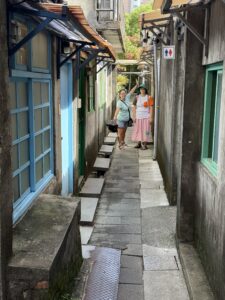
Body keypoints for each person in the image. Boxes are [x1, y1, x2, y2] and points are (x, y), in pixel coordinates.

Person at [114, 81, 138, 149]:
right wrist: (115, 117)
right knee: (120, 133)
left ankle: (123, 142)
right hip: (120, 120)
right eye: (122, 94)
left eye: (124, 93)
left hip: (127, 120)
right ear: (119, 95)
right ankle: (120, 144)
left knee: (124, 132)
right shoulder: (119, 102)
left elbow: (131, 91)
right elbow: (117, 110)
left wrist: (136, 85)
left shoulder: (127, 97)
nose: (123, 95)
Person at [132, 84, 154, 150]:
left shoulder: (149, 97)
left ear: (146, 90)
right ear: (139, 90)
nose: (142, 90)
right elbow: (134, 107)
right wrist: (134, 116)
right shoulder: (136, 97)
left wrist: (151, 117)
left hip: (146, 117)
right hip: (138, 116)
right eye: (141, 89)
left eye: (143, 89)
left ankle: (144, 144)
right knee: (138, 130)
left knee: (146, 130)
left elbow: (151, 108)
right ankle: (139, 143)